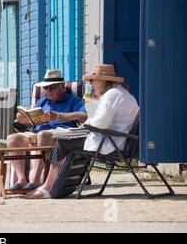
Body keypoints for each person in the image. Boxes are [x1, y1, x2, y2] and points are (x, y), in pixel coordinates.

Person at [25, 64, 139, 199]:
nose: (90, 83)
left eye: (92, 80)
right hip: (121, 140)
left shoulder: (111, 95)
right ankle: (52, 185)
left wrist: (81, 128)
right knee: (66, 141)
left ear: (102, 80)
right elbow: (103, 121)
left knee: (63, 143)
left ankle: (47, 187)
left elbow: (100, 123)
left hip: (113, 143)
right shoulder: (121, 93)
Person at [7, 69, 88, 190]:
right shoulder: (42, 101)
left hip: (58, 136)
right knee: (12, 138)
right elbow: (32, 119)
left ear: (62, 86)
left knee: (42, 135)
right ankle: (22, 179)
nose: (48, 91)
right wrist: (23, 119)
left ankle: (36, 180)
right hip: (36, 134)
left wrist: (59, 116)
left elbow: (84, 117)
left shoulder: (73, 100)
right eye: (46, 88)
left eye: (52, 87)